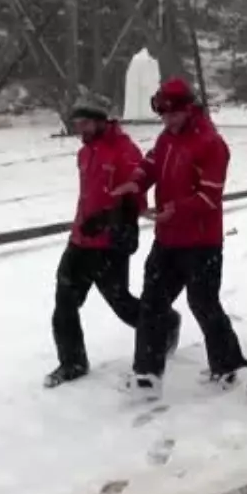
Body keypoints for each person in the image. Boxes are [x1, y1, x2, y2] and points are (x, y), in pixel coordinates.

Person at [112, 78, 247, 399]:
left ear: (188, 110)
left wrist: (176, 209)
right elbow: (150, 165)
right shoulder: (167, 138)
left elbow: (209, 197)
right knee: (153, 303)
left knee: (203, 302)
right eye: (162, 114)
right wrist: (135, 184)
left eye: (172, 114)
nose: (167, 120)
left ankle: (226, 365)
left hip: (202, 241)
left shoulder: (211, 144)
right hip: (167, 238)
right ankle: (147, 374)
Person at [44, 94, 182, 388]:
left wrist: (107, 219)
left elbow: (137, 198)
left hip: (109, 244)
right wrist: (84, 224)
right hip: (80, 240)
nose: (79, 129)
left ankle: (164, 322)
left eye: (84, 123)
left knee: (122, 304)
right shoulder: (85, 153)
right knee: (64, 302)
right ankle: (73, 363)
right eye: (76, 123)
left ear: (99, 121)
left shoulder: (124, 151)